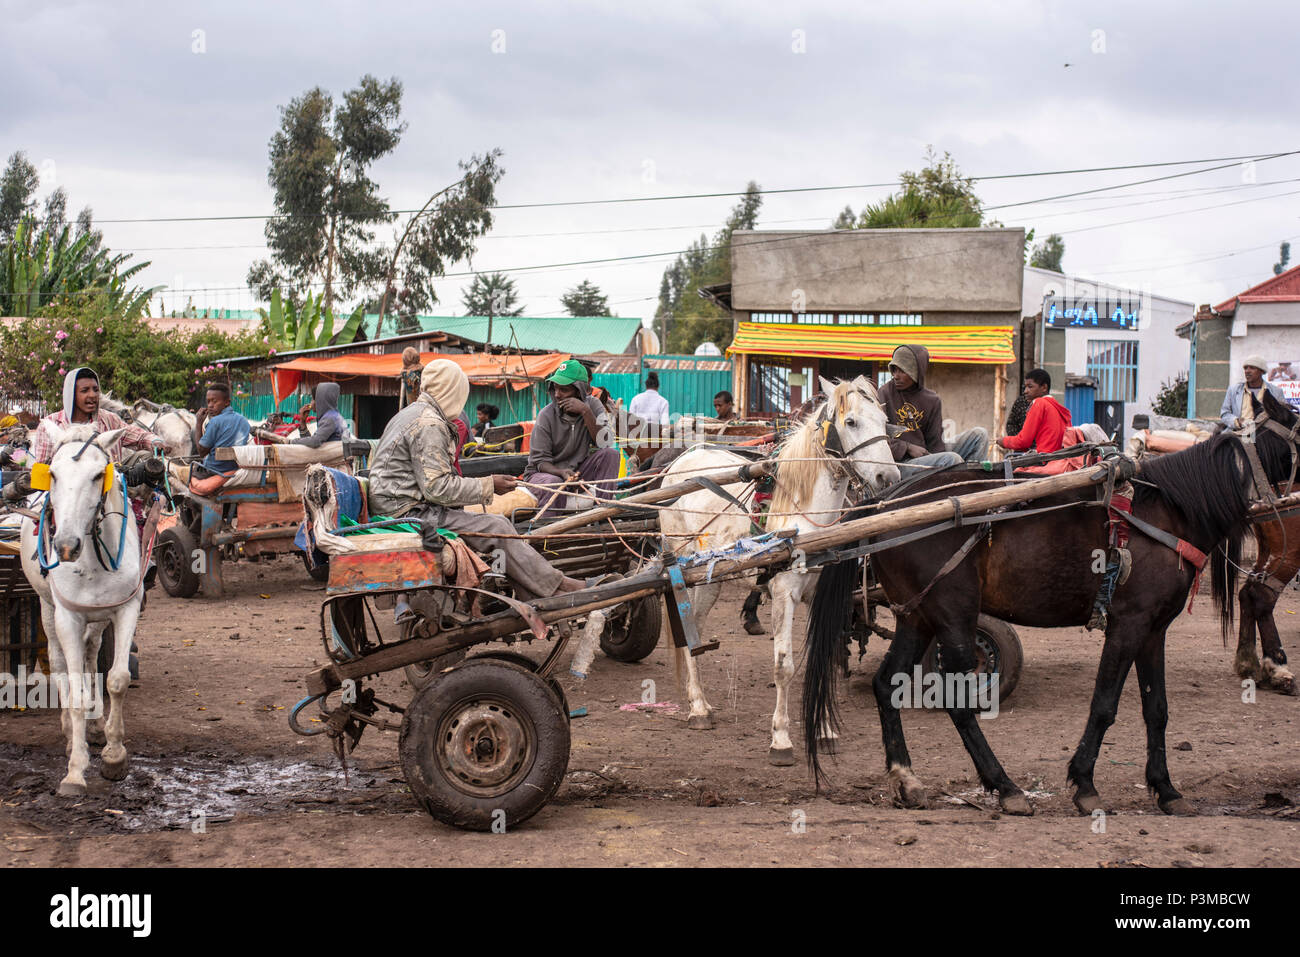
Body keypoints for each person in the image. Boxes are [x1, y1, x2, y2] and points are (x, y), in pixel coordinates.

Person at [367, 359, 587, 598]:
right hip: (409, 514)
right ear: (453, 391)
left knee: (494, 524)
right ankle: (558, 586)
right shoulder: (429, 424)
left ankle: (531, 592)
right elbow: (437, 488)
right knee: (497, 526)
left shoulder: (412, 414)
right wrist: (490, 485)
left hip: (398, 507)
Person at [523, 359, 621, 511]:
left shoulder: (593, 405)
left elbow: (605, 443)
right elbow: (540, 463)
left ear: (579, 391)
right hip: (544, 474)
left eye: (564, 390)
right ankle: (548, 530)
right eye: (555, 389)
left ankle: (603, 512)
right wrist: (561, 473)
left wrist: (586, 412)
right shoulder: (546, 416)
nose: (557, 395)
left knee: (611, 455)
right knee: (553, 483)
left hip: (576, 473)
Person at [879, 345, 988, 480]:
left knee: (979, 435)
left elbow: (936, 444)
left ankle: (973, 482)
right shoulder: (884, 393)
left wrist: (935, 459)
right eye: (894, 370)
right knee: (951, 460)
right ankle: (960, 487)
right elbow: (878, 439)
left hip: (925, 458)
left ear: (916, 372)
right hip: (900, 465)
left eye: (902, 371)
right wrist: (907, 447)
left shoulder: (932, 400)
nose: (896, 376)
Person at [30, 367, 164, 464]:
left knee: (146, 458)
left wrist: (154, 441)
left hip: (107, 489)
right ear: (71, 395)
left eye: (95, 390)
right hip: (67, 493)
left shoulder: (109, 419)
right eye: (84, 390)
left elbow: (136, 435)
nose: (93, 395)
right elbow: (42, 467)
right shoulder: (50, 425)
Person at [191, 383, 252, 492]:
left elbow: (201, 452)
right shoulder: (244, 421)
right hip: (235, 468)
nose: (210, 405)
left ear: (227, 402)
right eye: (208, 401)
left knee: (189, 472)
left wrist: (199, 423)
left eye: (214, 401)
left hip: (214, 471)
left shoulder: (215, 422)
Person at [997, 369, 1072, 454]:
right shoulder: (1058, 408)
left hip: (1045, 461)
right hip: (1059, 460)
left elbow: (1023, 441)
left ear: (1044, 387)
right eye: (1025, 387)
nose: (1025, 391)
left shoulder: (1039, 403)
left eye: (1030, 386)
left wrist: (1004, 441)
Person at [1221, 355, 1286, 429]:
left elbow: (1283, 415)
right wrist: (1238, 422)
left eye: (1252, 368)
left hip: (1266, 435)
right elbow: (1225, 414)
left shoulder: (1276, 392)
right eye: (1245, 368)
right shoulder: (1233, 390)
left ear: (1261, 371)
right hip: (1238, 433)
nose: (1247, 371)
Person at [291, 382, 352, 448]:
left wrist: (290, 442)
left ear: (319, 400)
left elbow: (315, 442)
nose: (310, 403)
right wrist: (303, 422)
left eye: (312, 399)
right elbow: (311, 444)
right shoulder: (332, 415)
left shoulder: (330, 418)